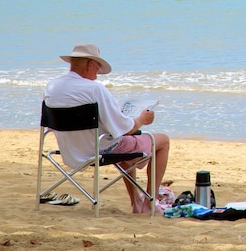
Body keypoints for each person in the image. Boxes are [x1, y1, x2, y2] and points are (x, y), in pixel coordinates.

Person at [43, 43, 171, 213]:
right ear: (90, 64)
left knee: (122, 142)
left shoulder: (52, 86)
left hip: (69, 151)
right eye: (97, 69)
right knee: (162, 141)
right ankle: (149, 202)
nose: (97, 75)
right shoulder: (94, 89)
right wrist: (142, 119)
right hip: (98, 150)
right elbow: (125, 128)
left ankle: (136, 202)